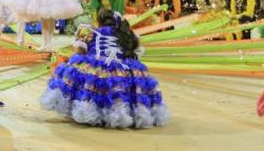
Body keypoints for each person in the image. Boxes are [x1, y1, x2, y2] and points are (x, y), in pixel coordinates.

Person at [40, 8, 169, 129]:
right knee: (121, 90)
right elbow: (136, 52)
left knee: (77, 73)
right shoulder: (125, 34)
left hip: (98, 68)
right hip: (121, 69)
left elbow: (81, 51)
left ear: (100, 21)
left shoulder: (89, 31)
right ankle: (127, 114)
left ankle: (91, 112)